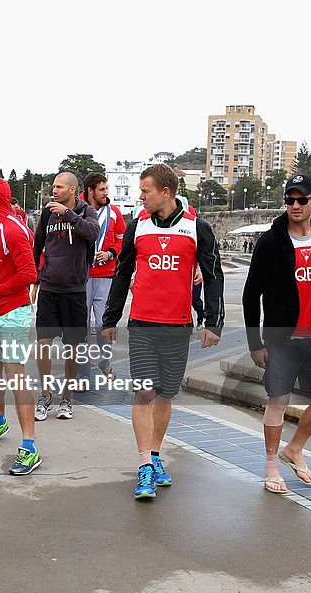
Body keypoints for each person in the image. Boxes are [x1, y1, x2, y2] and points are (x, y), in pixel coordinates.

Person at [102, 163, 224, 499]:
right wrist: (111, 319)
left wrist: (213, 321)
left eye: (146, 191)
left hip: (178, 326)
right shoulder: (136, 226)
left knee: (166, 395)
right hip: (142, 324)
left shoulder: (196, 227)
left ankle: (155, 456)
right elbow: (122, 272)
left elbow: (213, 275)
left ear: (165, 192)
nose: (140, 197)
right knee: (144, 393)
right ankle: (143, 467)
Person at [242, 174, 311, 494]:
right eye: (290, 200)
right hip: (281, 338)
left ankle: (294, 448)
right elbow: (250, 293)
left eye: (302, 199)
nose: (295, 206)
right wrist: (255, 343)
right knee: (278, 401)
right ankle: (272, 466)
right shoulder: (271, 241)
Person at [0, 178, 41, 475]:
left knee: (16, 376)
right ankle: (0, 420)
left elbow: (30, 272)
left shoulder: (13, 229)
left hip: (12, 313)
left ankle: (29, 447)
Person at [32, 172, 100, 421]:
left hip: (74, 290)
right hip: (50, 287)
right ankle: (45, 395)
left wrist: (68, 214)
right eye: (53, 187)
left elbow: (92, 233)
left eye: (59, 187)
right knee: (43, 344)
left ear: (72, 190)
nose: (54, 191)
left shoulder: (85, 211)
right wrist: (35, 277)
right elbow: (37, 244)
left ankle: (67, 399)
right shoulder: (47, 213)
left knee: (72, 347)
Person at [81, 172, 125, 380]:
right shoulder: (77, 210)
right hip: (81, 277)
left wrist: (110, 253)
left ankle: (104, 362)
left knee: (104, 325)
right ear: (90, 191)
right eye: (102, 190)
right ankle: (82, 370)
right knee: (81, 326)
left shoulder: (114, 212)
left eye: (107, 189)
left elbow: (121, 241)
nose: (106, 193)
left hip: (106, 276)